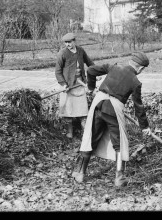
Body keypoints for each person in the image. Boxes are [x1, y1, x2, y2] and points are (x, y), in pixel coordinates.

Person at [71, 51, 152, 187]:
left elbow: (90, 70)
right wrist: (145, 127)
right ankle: (119, 178)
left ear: (130, 62)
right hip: (113, 111)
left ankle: (79, 173)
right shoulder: (136, 82)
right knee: (119, 143)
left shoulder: (114, 66)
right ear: (141, 68)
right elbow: (139, 106)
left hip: (98, 105)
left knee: (91, 138)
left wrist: (91, 87)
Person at [55, 32, 94, 139]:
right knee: (68, 111)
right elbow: (58, 71)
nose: (67, 44)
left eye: (69, 42)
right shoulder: (62, 53)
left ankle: (85, 135)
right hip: (68, 86)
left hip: (80, 85)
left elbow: (89, 63)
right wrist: (63, 84)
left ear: (74, 41)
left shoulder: (80, 50)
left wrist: (96, 73)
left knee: (83, 111)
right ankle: (69, 133)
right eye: (66, 42)